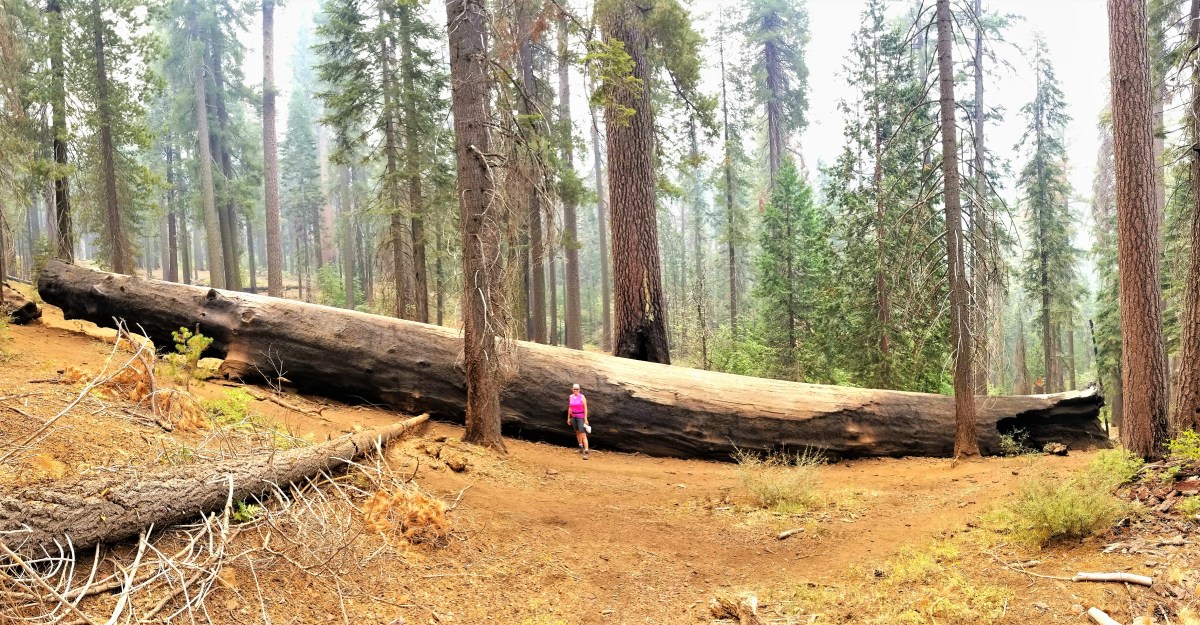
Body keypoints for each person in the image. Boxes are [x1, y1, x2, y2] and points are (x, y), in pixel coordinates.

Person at [567, 383, 590, 459]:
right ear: (572, 389)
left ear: (579, 390)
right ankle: (580, 447)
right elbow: (570, 407)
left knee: (583, 434)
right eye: (574, 389)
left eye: (577, 389)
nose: (576, 390)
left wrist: (585, 419)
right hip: (573, 416)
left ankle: (586, 452)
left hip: (580, 417)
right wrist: (569, 418)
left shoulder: (582, 397)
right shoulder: (571, 396)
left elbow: (585, 408)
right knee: (577, 432)